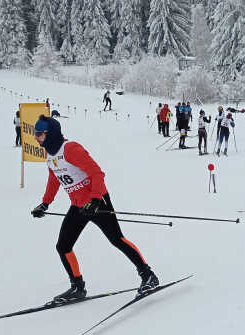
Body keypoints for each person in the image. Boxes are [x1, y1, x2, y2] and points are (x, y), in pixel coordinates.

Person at [30, 115, 159, 302]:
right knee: (63, 246)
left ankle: (148, 276)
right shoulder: (49, 155)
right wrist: (45, 203)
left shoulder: (71, 149)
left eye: (39, 134)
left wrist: (96, 199)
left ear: (51, 134)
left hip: (97, 202)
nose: (36, 137)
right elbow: (54, 179)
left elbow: (96, 173)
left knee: (117, 239)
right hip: (78, 206)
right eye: (35, 134)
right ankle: (77, 288)